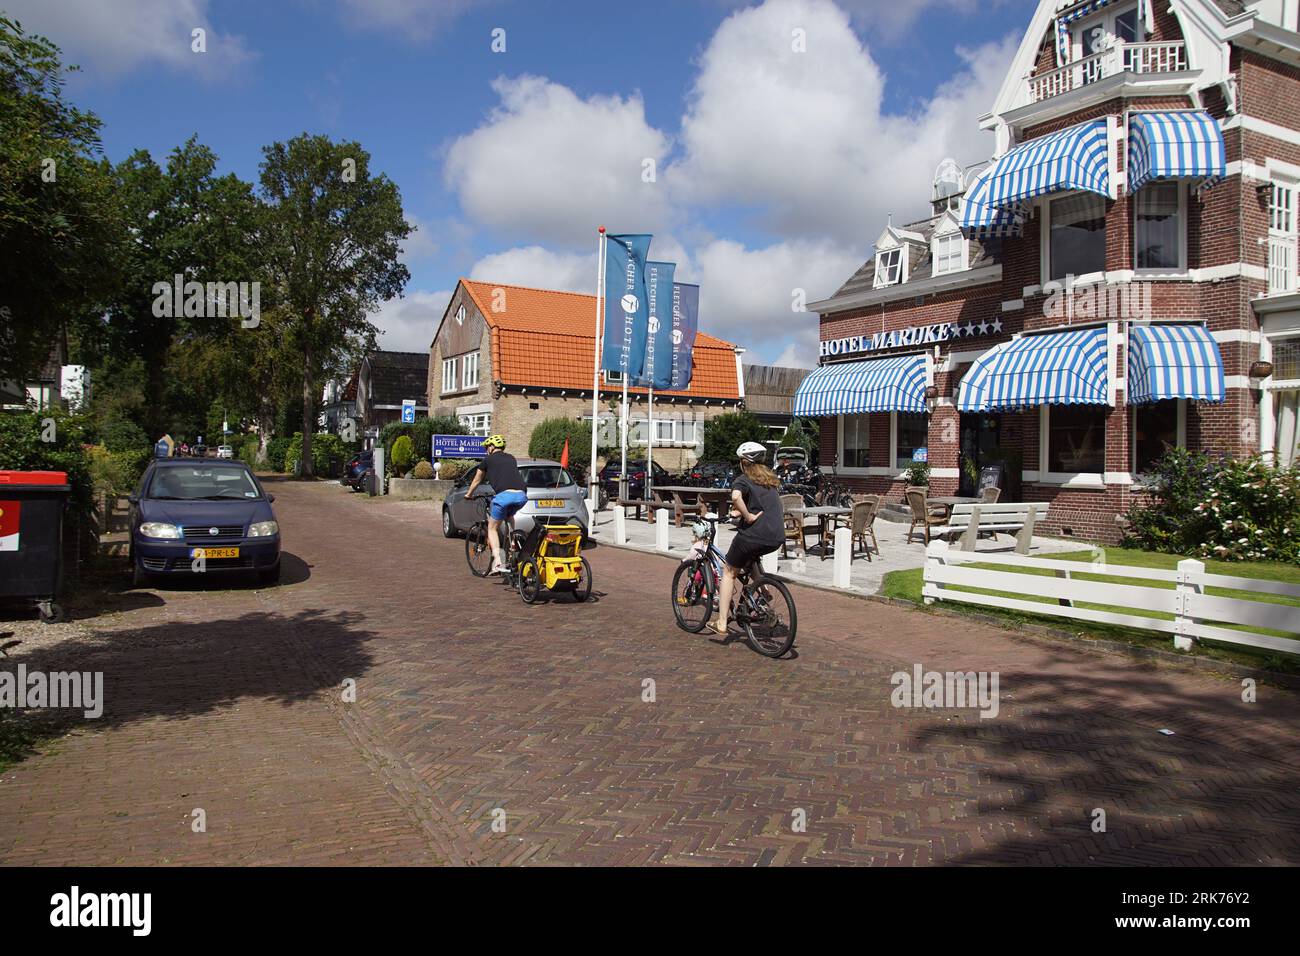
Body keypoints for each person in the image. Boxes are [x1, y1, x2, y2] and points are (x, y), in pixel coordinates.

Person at [710, 441, 785, 636]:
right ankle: (763, 591)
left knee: (729, 571)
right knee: (749, 560)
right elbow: (760, 504)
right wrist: (741, 512)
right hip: (776, 537)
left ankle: (722, 622)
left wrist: (748, 516)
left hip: (754, 535)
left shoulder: (743, 480)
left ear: (744, 462)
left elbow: (736, 497)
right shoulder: (770, 481)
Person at [465, 434, 528, 575]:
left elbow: (476, 480)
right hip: (521, 496)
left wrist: (468, 494)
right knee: (509, 514)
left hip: (504, 496)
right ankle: (512, 539)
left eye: (487, 447)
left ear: (492, 447)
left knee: (492, 528)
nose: (487, 449)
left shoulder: (487, 460)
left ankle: (498, 562)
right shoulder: (511, 458)